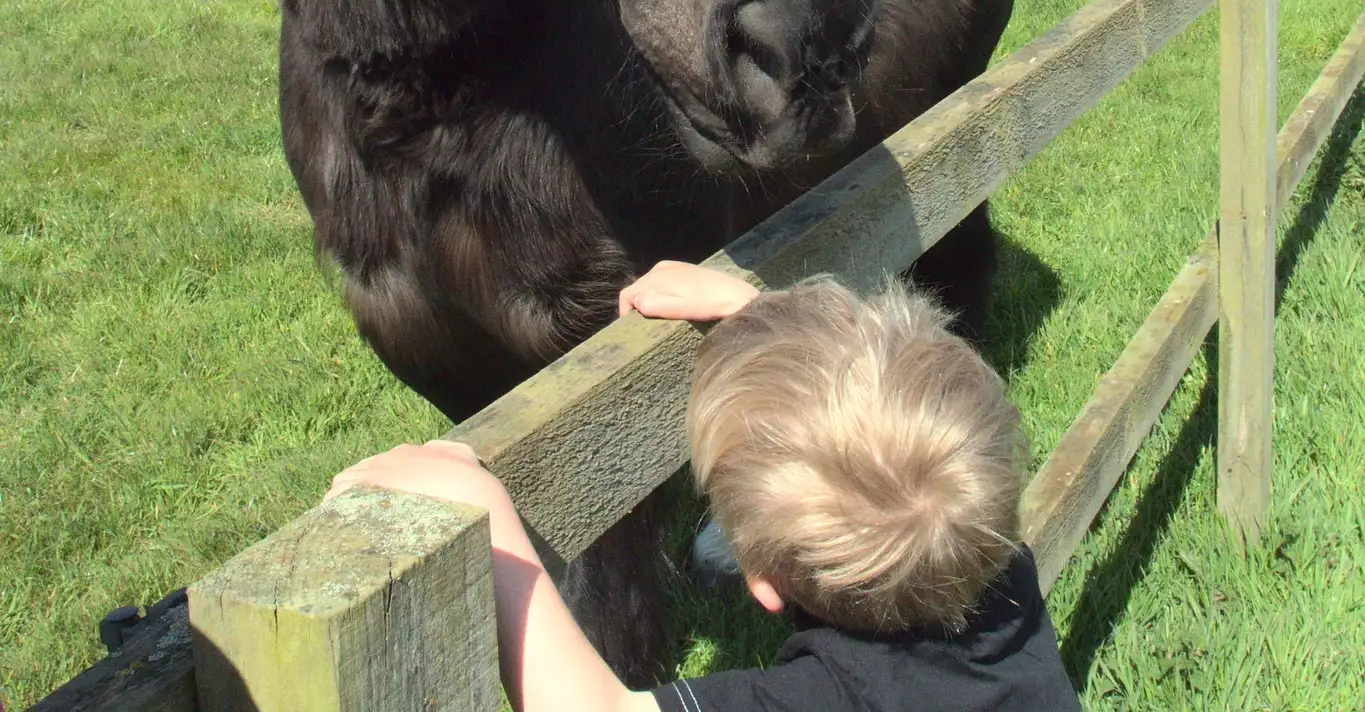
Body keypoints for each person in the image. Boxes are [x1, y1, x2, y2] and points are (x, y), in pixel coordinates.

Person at [327, 261, 1080, 712]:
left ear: (761, 583)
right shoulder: (994, 583)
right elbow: (895, 449)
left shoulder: (826, 701)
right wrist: (759, 321)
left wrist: (488, 514)